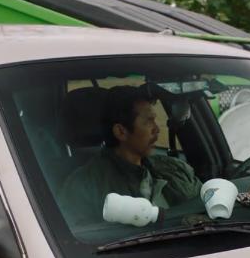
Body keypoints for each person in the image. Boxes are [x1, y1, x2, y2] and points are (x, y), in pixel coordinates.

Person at [59, 85, 202, 224]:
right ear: (121, 132)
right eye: (148, 121)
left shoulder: (177, 169)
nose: (157, 129)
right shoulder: (83, 187)